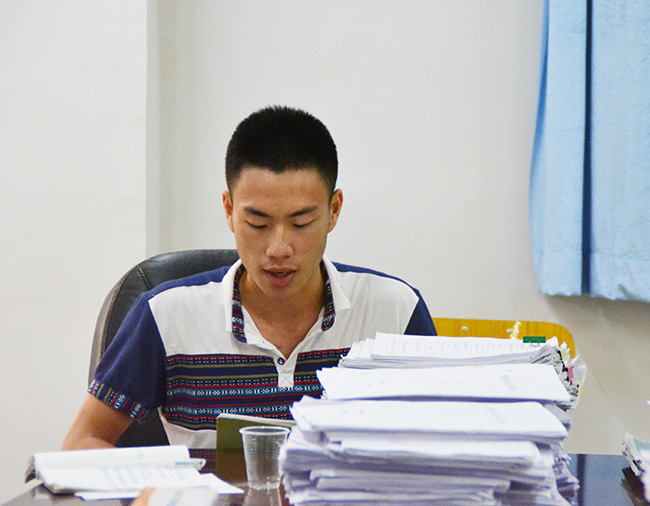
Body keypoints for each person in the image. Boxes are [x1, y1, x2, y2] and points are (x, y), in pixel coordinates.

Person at [61, 106, 436, 451]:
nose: (279, 248)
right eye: (258, 223)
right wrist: (161, 488)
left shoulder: (395, 313)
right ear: (229, 210)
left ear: (333, 210)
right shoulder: (165, 315)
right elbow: (82, 443)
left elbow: (446, 447)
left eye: (301, 223)